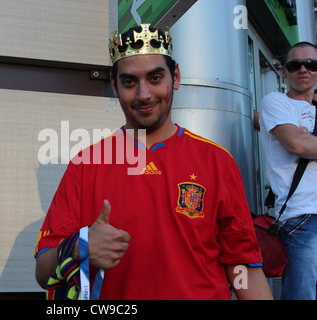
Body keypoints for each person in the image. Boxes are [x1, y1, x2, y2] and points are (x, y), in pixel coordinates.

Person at [35, 24, 273, 300]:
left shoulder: (217, 161)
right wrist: (78, 246)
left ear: (176, 77)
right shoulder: (86, 165)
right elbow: (43, 272)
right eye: (129, 82)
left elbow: (242, 265)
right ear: (114, 86)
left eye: (155, 78)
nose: (144, 94)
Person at [259, 42, 317, 300]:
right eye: (295, 65)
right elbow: (297, 144)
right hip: (302, 218)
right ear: (284, 72)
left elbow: (305, 144)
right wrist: (303, 142)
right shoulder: (276, 101)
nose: (303, 70)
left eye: (311, 64)